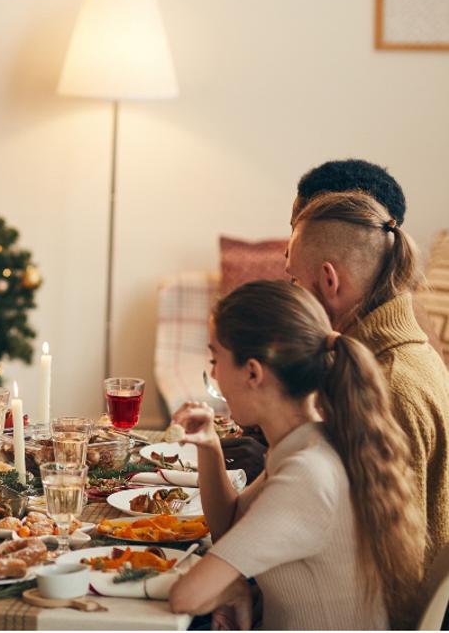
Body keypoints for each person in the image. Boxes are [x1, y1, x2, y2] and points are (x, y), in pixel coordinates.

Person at [168, 280, 425, 630]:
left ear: (253, 372)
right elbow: (229, 529)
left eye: (216, 359)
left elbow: (188, 596)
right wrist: (210, 446)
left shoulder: (306, 473)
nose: (213, 374)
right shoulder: (312, 442)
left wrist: (234, 588)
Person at [223, 157, 431, 483]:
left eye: (299, 226)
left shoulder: (390, 385)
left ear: (330, 277)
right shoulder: (364, 345)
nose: (288, 254)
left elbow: (389, 527)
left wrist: (274, 462)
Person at [287, 190, 449, 567]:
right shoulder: (403, 353)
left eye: (295, 282)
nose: (292, 296)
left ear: (329, 280)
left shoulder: (387, 387)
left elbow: (397, 559)